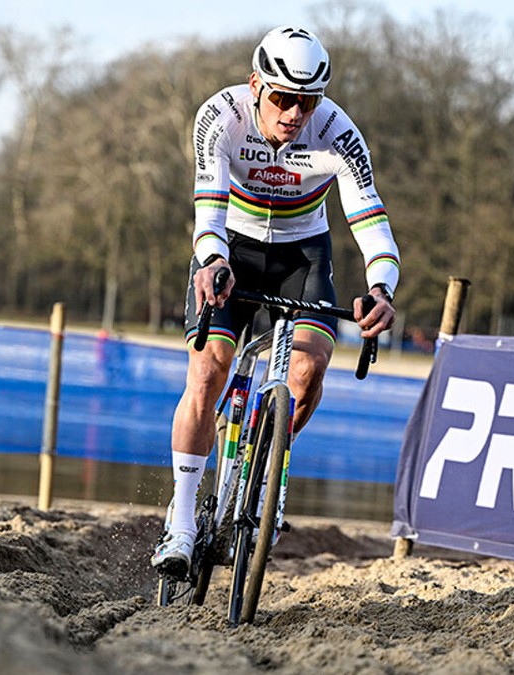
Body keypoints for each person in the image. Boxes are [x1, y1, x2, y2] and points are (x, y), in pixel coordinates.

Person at [152, 26, 400, 574]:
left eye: (307, 102)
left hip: (301, 255)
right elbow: (208, 209)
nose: (293, 113)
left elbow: (371, 221)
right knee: (208, 372)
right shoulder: (220, 116)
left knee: (309, 370)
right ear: (255, 86)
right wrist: (213, 260)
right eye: (283, 98)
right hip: (230, 249)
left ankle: (258, 472)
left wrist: (382, 287)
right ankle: (182, 521)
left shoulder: (338, 133)